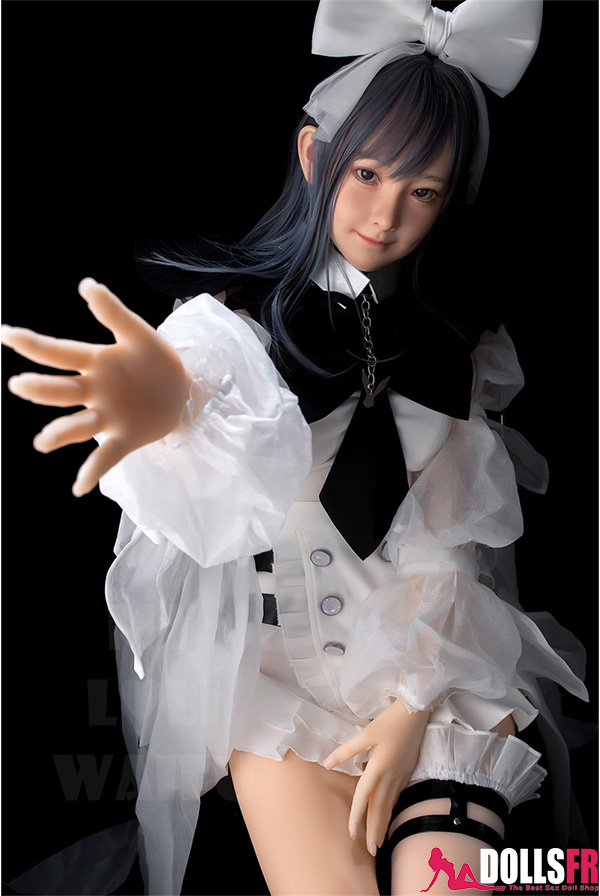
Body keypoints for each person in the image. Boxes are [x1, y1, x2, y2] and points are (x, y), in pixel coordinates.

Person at [2, 2, 593, 895]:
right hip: (281, 697)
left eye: (423, 191)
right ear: (316, 157)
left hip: (434, 676)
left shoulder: (457, 351)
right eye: (367, 172)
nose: (386, 214)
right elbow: (204, 428)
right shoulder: (233, 332)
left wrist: (412, 705)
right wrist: (162, 403)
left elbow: (448, 549)